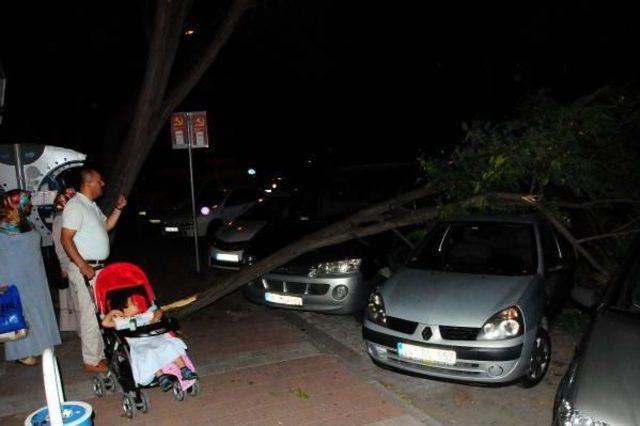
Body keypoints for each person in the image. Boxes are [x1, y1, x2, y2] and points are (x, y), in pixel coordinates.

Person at [61, 168, 127, 373]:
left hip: (97, 268)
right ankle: (91, 360)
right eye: (100, 181)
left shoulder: (90, 205)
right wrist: (82, 265)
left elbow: (106, 226)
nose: (103, 184)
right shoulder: (75, 206)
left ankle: (99, 354)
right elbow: (66, 239)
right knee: (90, 314)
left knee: (100, 311)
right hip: (86, 268)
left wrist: (118, 209)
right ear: (89, 183)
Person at [0, 190, 61, 366]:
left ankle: (41, 345)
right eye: (26, 202)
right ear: (15, 203)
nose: (30, 205)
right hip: (13, 276)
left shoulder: (26, 223)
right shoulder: (2, 227)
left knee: (39, 309)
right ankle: (22, 351)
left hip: (35, 274)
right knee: (20, 312)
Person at [101, 294, 197, 390]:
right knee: (149, 353)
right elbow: (105, 323)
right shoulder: (122, 322)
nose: (136, 303)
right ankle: (161, 376)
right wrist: (113, 312)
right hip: (140, 344)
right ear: (122, 310)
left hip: (154, 338)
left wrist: (154, 319)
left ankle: (184, 369)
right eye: (132, 303)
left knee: (169, 345)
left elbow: (158, 311)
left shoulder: (143, 316)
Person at [52, 189, 78, 332]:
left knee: (76, 298)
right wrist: (63, 265)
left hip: (75, 261)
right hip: (69, 262)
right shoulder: (60, 219)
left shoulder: (70, 217)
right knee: (73, 299)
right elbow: (59, 243)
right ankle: (79, 329)